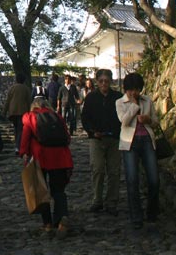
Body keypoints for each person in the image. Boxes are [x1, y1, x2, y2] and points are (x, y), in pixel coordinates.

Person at [19, 96, 73, 236]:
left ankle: (47, 223)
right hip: (60, 157)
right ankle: (62, 219)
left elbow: (25, 137)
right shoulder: (57, 117)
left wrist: (24, 153)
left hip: (40, 157)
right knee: (59, 190)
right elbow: (67, 137)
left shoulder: (30, 117)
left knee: (41, 191)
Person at [116, 72, 159, 230]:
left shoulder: (147, 100)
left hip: (147, 140)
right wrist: (134, 106)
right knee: (132, 179)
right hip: (130, 142)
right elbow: (124, 121)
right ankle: (136, 216)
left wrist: (148, 120)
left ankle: (152, 212)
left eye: (136, 89)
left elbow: (155, 122)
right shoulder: (120, 102)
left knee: (154, 179)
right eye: (131, 90)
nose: (134, 92)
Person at [81, 68, 122, 214]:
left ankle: (112, 202)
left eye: (106, 81)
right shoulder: (91, 98)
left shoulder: (118, 97)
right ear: (97, 82)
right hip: (96, 139)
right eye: (101, 81)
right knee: (97, 169)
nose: (104, 83)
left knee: (114, 171)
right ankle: (97, 200)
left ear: (110, 81)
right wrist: (92, 131)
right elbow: (85, 117)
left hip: (114, 139)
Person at [3, 73, 32, 154]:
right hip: (22, 112)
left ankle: (17, 145)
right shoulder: (26, 89)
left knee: (16, 129)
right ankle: (18, 146)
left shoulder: (12, 88)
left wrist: (4, 112)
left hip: (12, 112)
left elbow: (7, 101)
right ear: (24, 80)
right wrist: (30, 113)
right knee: (20, 129)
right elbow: (29, 102)